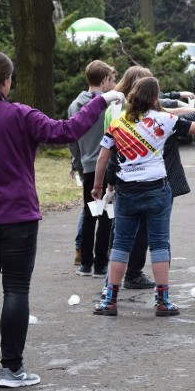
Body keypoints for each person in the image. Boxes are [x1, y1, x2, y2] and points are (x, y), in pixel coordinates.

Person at [0, 50, 123, 388]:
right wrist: (101, 101)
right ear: (7, 80)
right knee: (16, 290)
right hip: (18, 216)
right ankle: (12, 370)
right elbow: (67, 131)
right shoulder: (21, 115)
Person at [92, 77, 195, 317]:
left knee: (121, 245)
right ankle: (162, 300)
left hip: (126, 192)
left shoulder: (117, 123)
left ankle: (110, 300)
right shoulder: (164, 120)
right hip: (157, 190)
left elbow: (103, 158)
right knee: (159, 244)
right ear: (155, 98)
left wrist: (98, 186)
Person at [69, 60, 118, 279]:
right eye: (112, 79)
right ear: (104, 80)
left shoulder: (74, 105)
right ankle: (101, 265)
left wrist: (78, 163)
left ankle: (86, 264)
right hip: (107, 167)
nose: (114, 84)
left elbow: (71, 138)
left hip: (87, 168)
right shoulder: (109, 105)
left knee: (90, 214)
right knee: (107, 215)